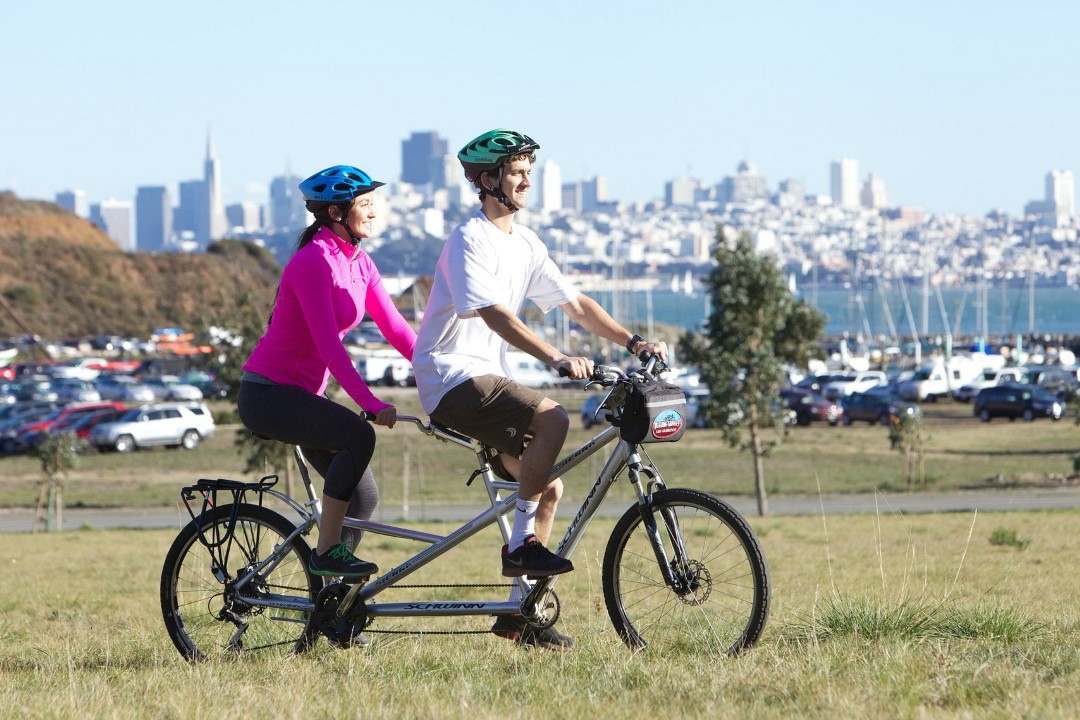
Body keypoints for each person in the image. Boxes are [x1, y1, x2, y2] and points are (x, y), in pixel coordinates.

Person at [412, 129, 667, 651]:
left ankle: (518, 613)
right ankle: (521, 548)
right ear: (487, 180)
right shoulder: (470, 239)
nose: (527, 178)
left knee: (548, 487)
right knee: (552, 418)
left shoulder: (524, 243)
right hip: (451, 377)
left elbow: (575, 303)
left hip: (487, 380)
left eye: (529, 169)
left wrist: (633, 341)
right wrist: (554, 357)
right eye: (515, 170)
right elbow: (495, 315)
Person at [238, 165, 416, 578]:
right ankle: (326, 554)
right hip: (268, 394)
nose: (373, 212)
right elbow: (328, 345)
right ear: (337, 213)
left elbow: (397, 330)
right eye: (365, 204)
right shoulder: (313, 261)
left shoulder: (359, 263)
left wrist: (438, 373)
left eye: (374, 203)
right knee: (358, 435)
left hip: (302, 397)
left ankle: (330, 599)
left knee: (363, 498)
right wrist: (369, 403)